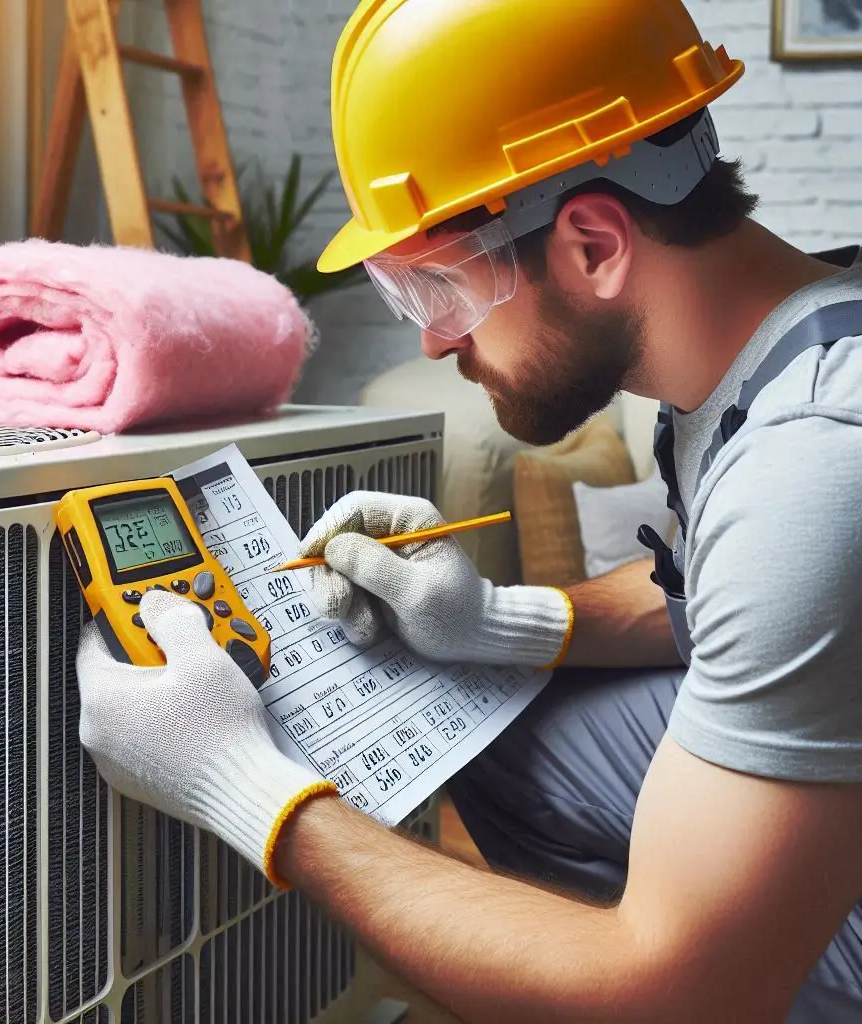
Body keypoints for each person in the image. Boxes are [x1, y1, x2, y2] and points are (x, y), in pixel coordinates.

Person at [74, 1, 862, 1019]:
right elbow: (723, 592)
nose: (436, 345)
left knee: (692, 968)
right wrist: (499, 620)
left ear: (591, 245)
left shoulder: (812, 462)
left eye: (437, 289)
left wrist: (248, 787)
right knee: (484, 728)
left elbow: (685, 995)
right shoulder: (782, 348)